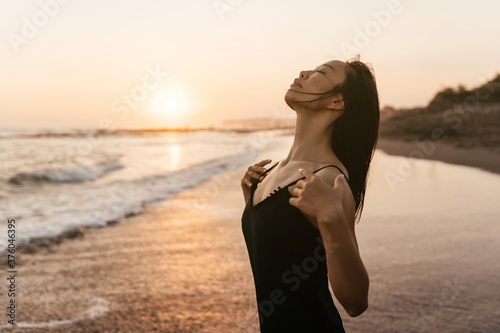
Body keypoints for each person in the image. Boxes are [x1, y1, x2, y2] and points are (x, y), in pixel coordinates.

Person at [240, 57, 380, 332]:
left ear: (337, 101)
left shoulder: (330, 179)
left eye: (322, 72)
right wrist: (252, 200)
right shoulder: (273, 172)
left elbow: (355, 301)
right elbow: (278, 255)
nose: (304, 72)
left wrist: (332, 220)